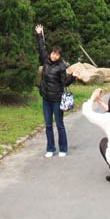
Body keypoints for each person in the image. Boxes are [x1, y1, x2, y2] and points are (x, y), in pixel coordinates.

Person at [35, 24, 79, 158]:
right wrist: (39, 34)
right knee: (48, 125)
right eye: (54, 53)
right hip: (46, 99)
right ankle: (50, 148)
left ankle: (63, 148)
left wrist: (73, 77)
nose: (55, 56)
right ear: (51, 53)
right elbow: (41, 47)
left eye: (57, 54)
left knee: (59, 125)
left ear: (60, 56)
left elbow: (65, 82)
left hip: (57, 99)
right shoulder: (45, 61)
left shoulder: (60, 67)